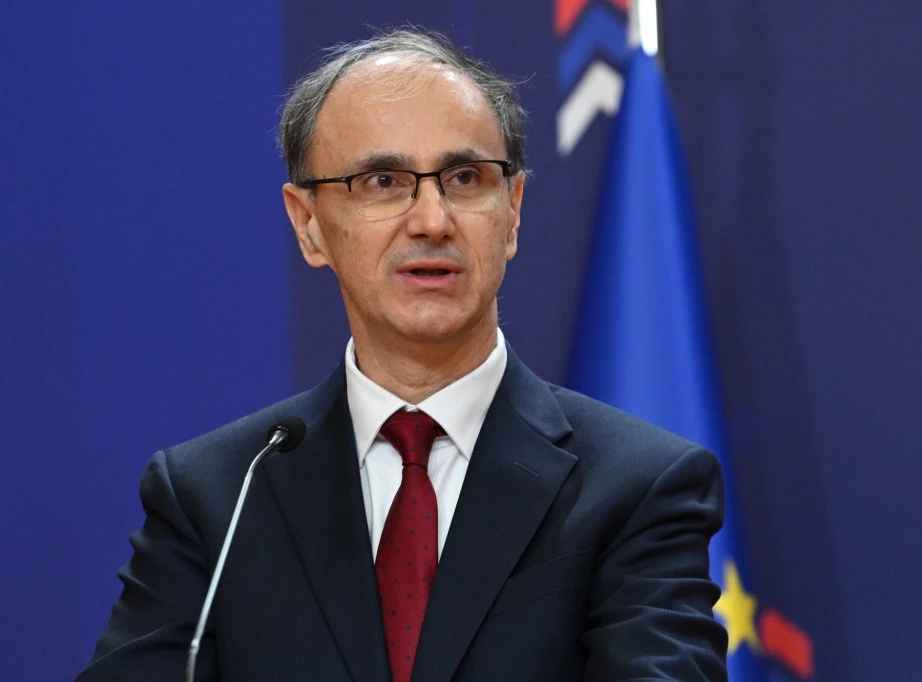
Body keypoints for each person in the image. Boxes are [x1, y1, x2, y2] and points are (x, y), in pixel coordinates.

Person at [76, 28, 728, 682]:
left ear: (513, 211)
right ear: (308, 224)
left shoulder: (638, 487)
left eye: (465, 178)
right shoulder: (218, 494)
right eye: (383, 181)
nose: (431, 221)